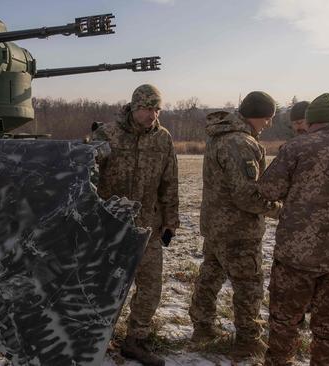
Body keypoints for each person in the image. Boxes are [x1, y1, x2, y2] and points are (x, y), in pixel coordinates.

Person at [259, 93, 329, 366]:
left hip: (296, 256)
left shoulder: (297, 147)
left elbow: (268, 189)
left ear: (313, 120)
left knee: (284, 322)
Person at [188, 91, 281, 362]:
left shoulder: (220, 136)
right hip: (238, 230)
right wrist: (277, 210)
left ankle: (202, 327)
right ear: (260, 116)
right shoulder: (241, 142)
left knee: (210, 275)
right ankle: (248, 340)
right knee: (249, 284)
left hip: (216, 226)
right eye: (268, 119)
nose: (268, 125)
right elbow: (246, 196)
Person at [92, 84, 179, 366]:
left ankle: (135, 341)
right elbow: (88, 176)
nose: (152, 114)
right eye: (147, 108)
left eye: (157, 109)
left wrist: (170, 221)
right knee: (104, 284)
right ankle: (94, 336)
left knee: (151, 285)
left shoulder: (163, 139)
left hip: (147, 227)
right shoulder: (108, 133)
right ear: (134, 106)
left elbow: (169, 183)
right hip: (111, 225)